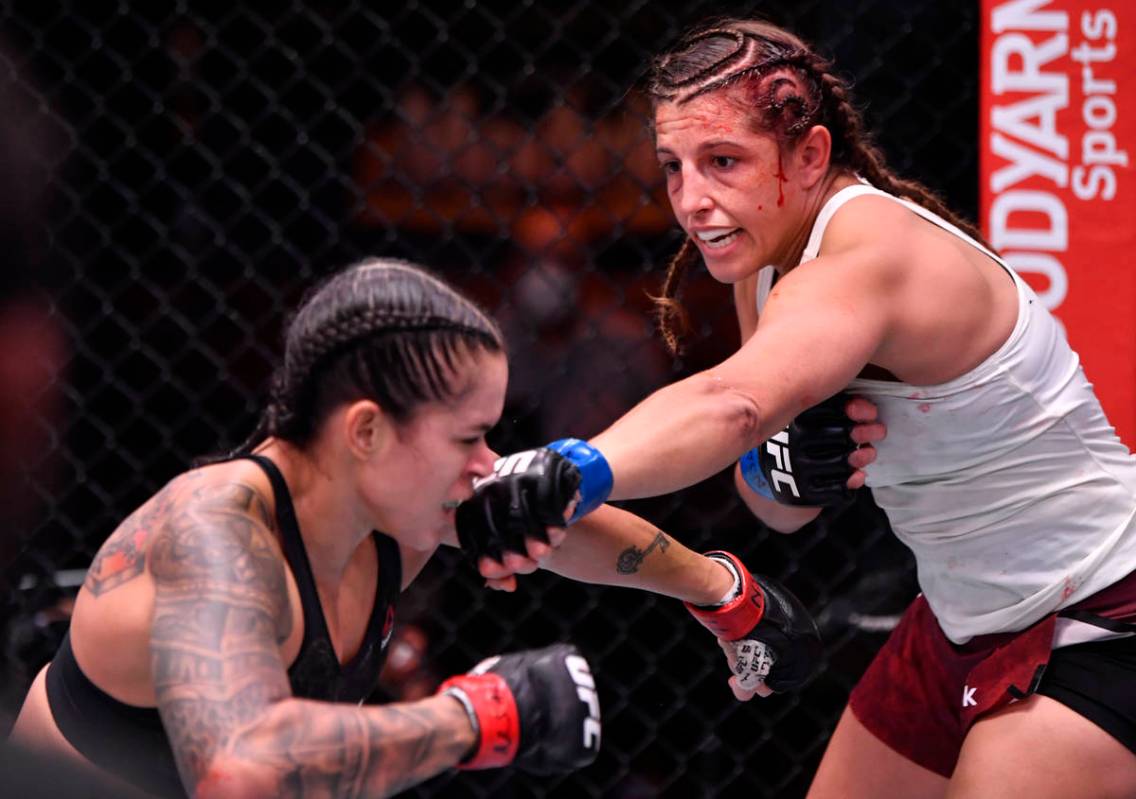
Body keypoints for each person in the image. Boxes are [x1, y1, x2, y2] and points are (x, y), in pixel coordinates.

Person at [459, 17, 1136, 799]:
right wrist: (782, 472)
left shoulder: (868, 253)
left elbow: (733, 401)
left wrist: (572, 469)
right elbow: (777, 509)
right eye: (673, 167)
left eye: (723, 162)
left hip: (1102, 612)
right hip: (961, 619)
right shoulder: (766, 260)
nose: (692, 201)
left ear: (811, 154)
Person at [9, 258, 825, 798]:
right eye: (468, 438)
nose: (485, 464)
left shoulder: (392, 496)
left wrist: (725, 591)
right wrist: (480, 714)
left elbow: (548, 511)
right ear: (366, 431)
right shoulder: (218, 533)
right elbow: (244, 763)